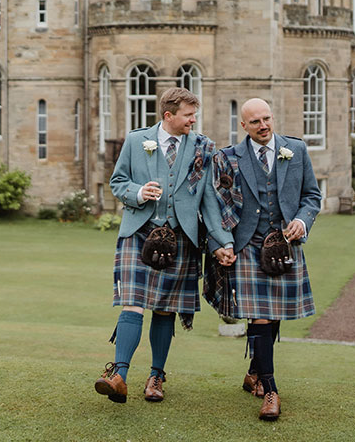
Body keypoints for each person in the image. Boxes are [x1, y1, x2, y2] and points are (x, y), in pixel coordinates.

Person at [93, 86, 232, 403]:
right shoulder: (135, 140)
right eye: (188, 115)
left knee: (166, 309)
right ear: (168, 115)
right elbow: (118, 182)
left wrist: (221, 240)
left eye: (194, 114)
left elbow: (209, 199)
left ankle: (156, 377)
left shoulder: (202, 147)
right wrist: (139, 193)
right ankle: (120, 375)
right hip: (139, 232)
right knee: (132, 301)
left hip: (181, 236)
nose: (193, 120)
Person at [207, 97, 321, 421]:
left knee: (272, 317)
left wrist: (303, 219)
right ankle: (271, 390)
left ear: (273, 117)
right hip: (246, 245)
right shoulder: (229, 157)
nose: (263, 125)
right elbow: (218, 204)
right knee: (260, 315)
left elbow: (312, 196)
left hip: (284, 244)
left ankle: (255, 370)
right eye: (255, 121)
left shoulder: (295, 150)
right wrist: (220, 242)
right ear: (243, 125)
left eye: (267, 118)